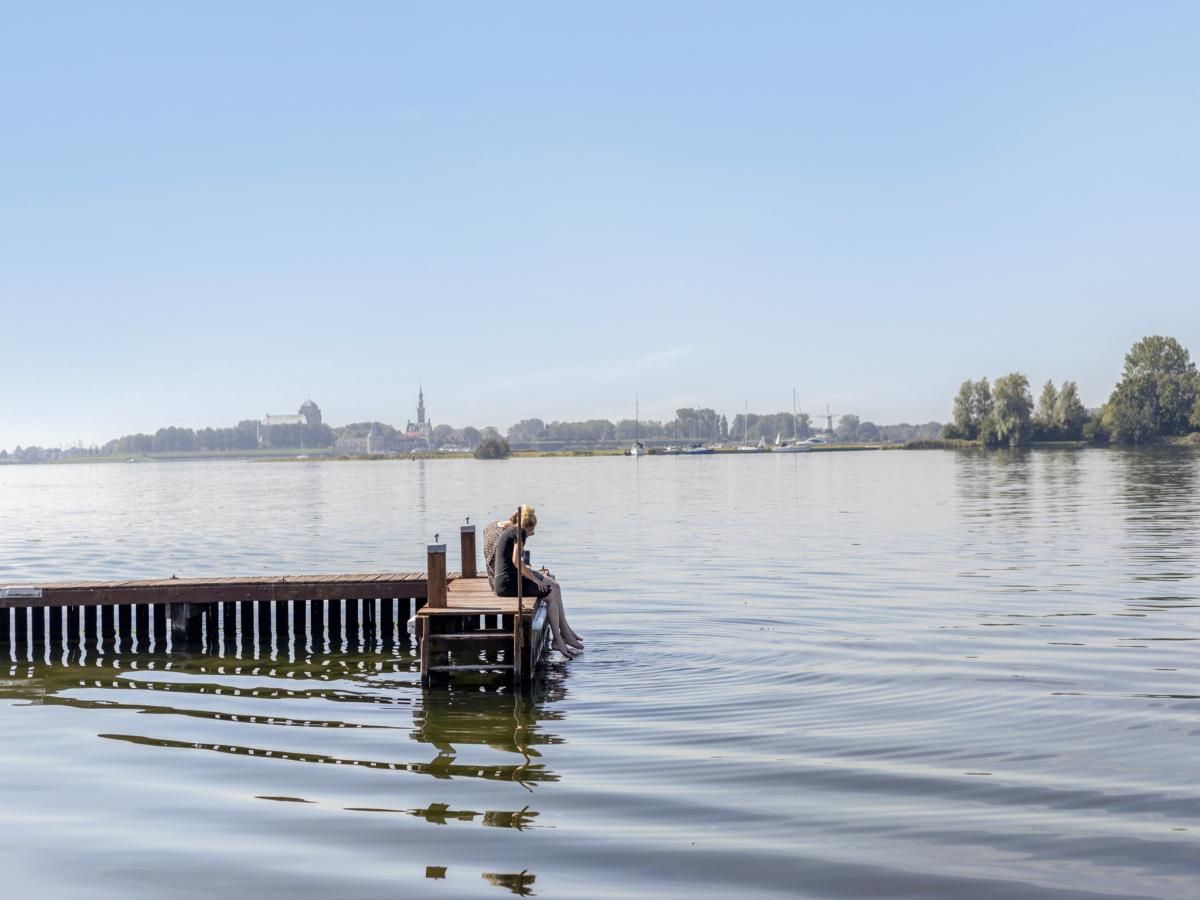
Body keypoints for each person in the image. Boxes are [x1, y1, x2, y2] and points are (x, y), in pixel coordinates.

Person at [490, 506, 583, 657]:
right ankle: (558, 640)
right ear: (530, 527)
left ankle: (565, 631)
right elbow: (516, 561)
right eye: (533, 529)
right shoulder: (520, 532)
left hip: (508, 579)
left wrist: (532, 574)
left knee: (555, 586)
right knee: (551, 595)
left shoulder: (513, 529)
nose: (533, 533)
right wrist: (534, 579)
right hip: (509, 584)